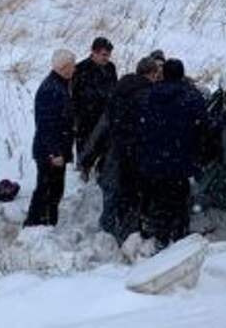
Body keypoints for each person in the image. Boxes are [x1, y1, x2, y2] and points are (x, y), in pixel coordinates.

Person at [81, 57, 160, 244]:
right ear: (152, 74)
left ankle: (107, 235)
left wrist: (87, 157)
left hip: (114, 154)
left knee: (114, 196)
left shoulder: (118, 91)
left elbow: (103, 126)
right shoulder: (149, 95)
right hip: (136, 156)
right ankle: (128, 238)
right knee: (133, 199)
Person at [135, 58, 208, 249]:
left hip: (153, 160)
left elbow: (140, 125)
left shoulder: (149, 95)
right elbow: (204, 127)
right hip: (180, 161)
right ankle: (178, 239)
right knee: (179, 201)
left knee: (158, 199)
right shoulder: (191, 96)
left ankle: (159, 237)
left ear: (163, 74)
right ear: (182, 74)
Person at [24, 49, 76, 227]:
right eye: (72, 66)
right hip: (49, 152)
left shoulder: (59, 84)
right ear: (63, 67)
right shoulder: (52, 90)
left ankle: (46, 224)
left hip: (52, 149)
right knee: (47, 190)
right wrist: (55, 152)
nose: (74, 69)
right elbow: (47, 125)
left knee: (53, 190)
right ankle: (36, 225)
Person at [72, 37, 117, 179]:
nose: (107, 58)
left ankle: (101, 169)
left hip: (105, 114)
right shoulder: (80, 69)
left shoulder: (110, 67)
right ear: (94, 52)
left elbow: (114, 88)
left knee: (105, 144)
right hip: (86, 115)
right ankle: (83, 168)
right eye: (104, 55)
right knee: (86, 144)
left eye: (108, 55)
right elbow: (74, 94)